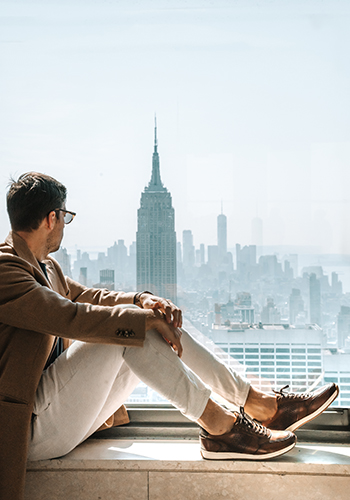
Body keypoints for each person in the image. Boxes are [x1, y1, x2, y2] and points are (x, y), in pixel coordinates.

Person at [0, 172, 339, 500]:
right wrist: (141, 319)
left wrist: (142, 301)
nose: (64, 227)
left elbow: (89, 297)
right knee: (133, 331)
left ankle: (256, 404)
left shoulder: (45, 266)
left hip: (56, 414)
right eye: (65, 219)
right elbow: (69, 317)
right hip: (28, 429)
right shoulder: (5, 269)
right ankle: (222, 425)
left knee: (148, 324)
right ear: (51, 218)